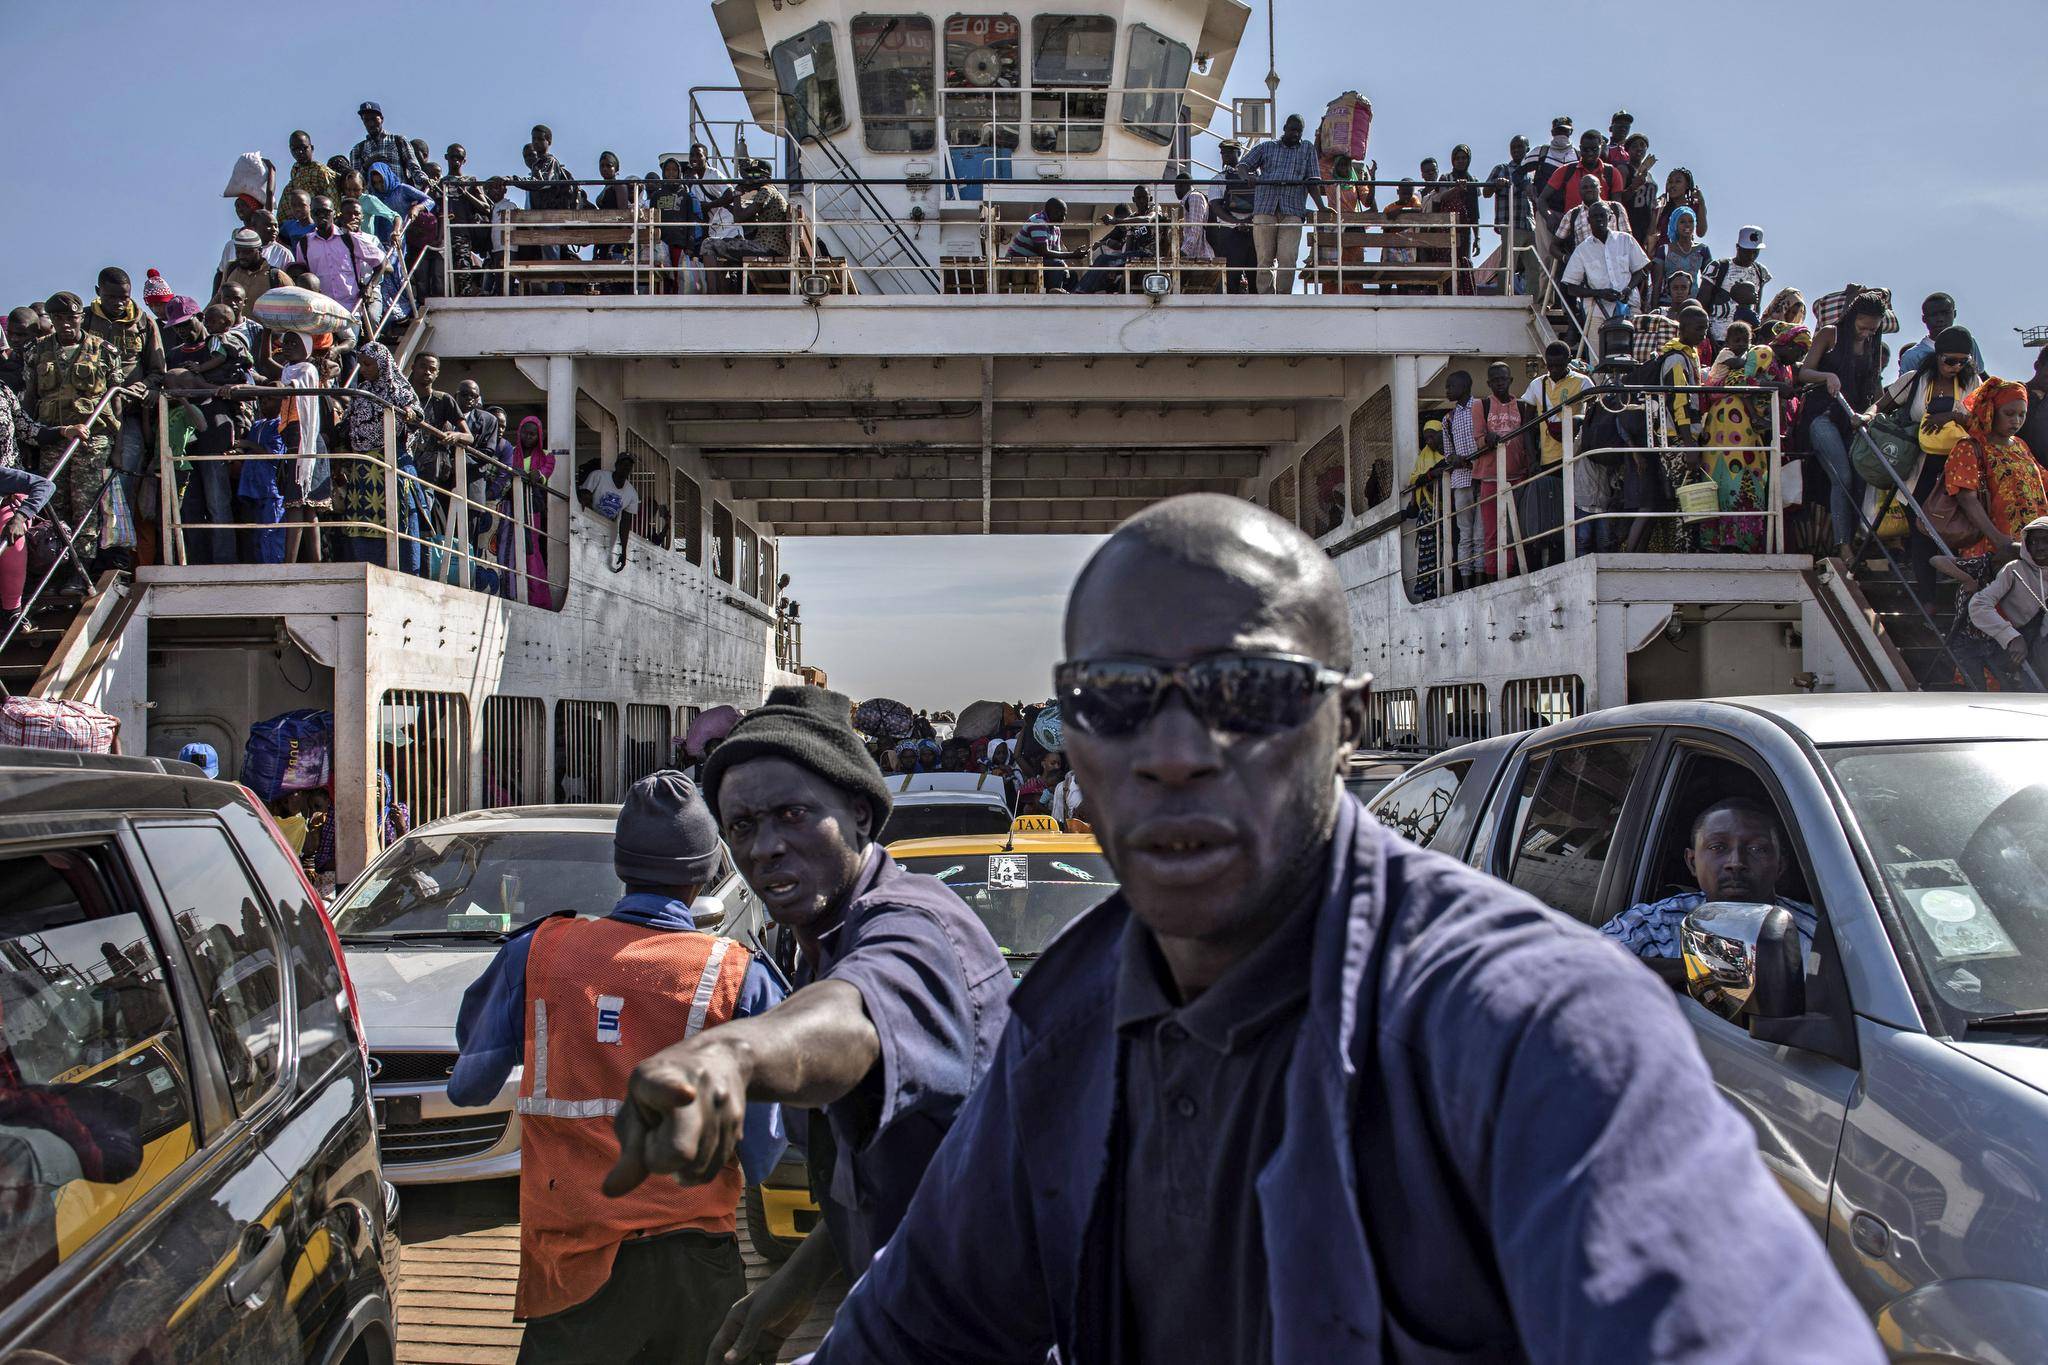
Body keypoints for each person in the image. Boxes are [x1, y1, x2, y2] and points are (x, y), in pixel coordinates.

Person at [806, 493, 1884, 1364]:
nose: (1175, 749)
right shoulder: (1071, 1027)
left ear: (1346, 724)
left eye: (1250, 692)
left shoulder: (1532, 1032)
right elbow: (913, 1329)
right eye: (1117, 695)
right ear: (1070, 735)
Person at [605, 687, 1011, 1365]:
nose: (763, 847)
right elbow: (890, 1170)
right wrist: (797, 1279)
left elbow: (854, 1016)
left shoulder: (914, 931)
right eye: (741, 827)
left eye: (793, 814)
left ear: (859, 813)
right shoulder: (822, 936)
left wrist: (731, 1055)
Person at [445, 772, 785, 1362]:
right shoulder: (738, 977)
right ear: (706, 873)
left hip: (572, 1266)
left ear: (620, 864)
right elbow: (762, 1156)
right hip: (696, 1268)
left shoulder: (537, 953)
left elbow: (467, 1088)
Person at [1599, 797, 1819, 966]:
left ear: (1780, 865)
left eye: (1757, 849)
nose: (1736, 862)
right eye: (1718, 847)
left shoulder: (1819, 934)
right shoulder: (1658, 925)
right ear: (1692, 862)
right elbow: (1582, 966)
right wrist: (1702, 970)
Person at [22, 292, 127, 573]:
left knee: (86, 508)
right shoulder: (37, 350)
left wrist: (118, 445)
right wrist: (29, 443)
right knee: (54, 506)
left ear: (82, 318)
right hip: (53, 438)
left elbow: (116, 402)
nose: (66, 324)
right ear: (52, 320)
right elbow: (30, 399)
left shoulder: (105, 350)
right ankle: (57, 567)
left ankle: (82, 570)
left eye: (72, 318)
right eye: (59, 318)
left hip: (91, 441)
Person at [1878, 326, 1979, 595]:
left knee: (1958, 527)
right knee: (1921, 527)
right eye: (1950, 361)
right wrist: (1864, 419)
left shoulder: (1972, 384)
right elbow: (1881, 406)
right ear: (1937, 356)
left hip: (1958, 467)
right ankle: (1927, 598)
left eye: (1963, 361)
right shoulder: (1916, 379)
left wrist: (1953, 417)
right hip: (1919, 466)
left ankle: (1962, 594)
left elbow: (1981, 424)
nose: (1956, 367)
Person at [1798, 291, 1890, 558]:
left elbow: (1876, 389)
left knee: (1865, 474)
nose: (1866, 333)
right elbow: (1804, 373)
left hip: (1853, 420)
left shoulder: (1872, 343)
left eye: (1873, 329)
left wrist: (1875, 414)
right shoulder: (1830, 334)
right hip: (1823, 416)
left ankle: (1866, 536)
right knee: (1843, 475)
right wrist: (1827, 376)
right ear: (1852, 319)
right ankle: (1843, 544)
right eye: (1863, 327)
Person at [333, 341, 421, 568]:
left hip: (390, 465)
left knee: (397, 520)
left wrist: (409, 413)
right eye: (361, 364)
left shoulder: (398, 390)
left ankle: (402, 567)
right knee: (362, 523)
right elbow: (347, 423)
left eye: (368, 364)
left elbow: (417, 414)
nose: (363, 369)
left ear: (382, 364)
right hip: (363, 469)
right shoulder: (363, 392)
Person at [1695, 322, 1776, 553]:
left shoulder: (1742, 371)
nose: (1741, 345)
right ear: (1727, 342)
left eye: (1745, 342)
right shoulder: (1729, 359)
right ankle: (1716, 539)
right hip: (1720, 419)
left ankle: (1740, 539)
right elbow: (1741, 373)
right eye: (1737, 341)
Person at [1944, 377, 2044, 559]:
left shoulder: (2020, 445)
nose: (2016, 421)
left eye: (2022, 415)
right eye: (2009, 413)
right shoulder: (1970, 448)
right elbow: (1967, 499)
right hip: (1995, 546)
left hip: (2032, 546)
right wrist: (1999, 540)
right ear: (1991, 411)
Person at [1520, 341, 1598, 554]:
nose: (1553, 371)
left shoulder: (1583, 382)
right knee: (1551, 512)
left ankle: (1574, 552)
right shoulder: (1537, 385)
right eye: (1550, 366)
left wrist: (1579, 421)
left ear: (1567, 361)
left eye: (1558, 366)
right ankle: (1554, 555)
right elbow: (1527, 425)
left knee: (1574, 508)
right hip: (1547, 460)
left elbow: (1594, 415)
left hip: (1576, 456)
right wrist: (1532, 460)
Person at [1236, 115, 1327, 295]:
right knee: (1264, 258)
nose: (1296, 134)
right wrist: (1248, 178)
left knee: (1288, 257)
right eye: (1293, 129)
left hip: (1293, 209)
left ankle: (1284, 296)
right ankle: (1266, 296)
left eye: (1299, 131)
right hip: (1265, 207)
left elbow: (1312, 182)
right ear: (1284, 128)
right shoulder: (1267, 147)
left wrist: (1321, 207)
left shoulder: (1307, 148)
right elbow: (1243, 165)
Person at [1965, 516, 2048, 687]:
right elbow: (1979, 605)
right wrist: (2010, 637)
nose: (2040, 547)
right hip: (2023, 647)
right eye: (2033, 542)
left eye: (2046, 541)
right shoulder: (2014, 569)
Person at [1560, 201, 1649, 342]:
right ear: (1589, 220)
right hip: (1597, 311)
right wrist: (1599, 293)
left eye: (1602, 215)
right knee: (1597, 358)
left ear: (1610, 217)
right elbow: (1571, 288)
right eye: (1595, 216)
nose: (1599, 219)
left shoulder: (1626, 240)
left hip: (1629, 306)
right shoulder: (1582, 250)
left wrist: (1627, 289)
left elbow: (1640, 271)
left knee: (1630, 354)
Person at [297, 195, 386, 315]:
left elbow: (381, 261)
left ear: (334, 213)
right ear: (312, 215)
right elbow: (303, 275)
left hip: (351, 309)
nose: (322, 215)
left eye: (326, 212)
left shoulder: (348, 238)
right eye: (317, 212)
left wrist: (370, 286)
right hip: (322, 310)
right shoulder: (304, 244)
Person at [1438, 369, 1484, 587]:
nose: (1447, 390)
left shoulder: (1482, 407)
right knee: (1466, 533)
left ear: (1464, 386)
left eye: (1450, 386)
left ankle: (1482, 576)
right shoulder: (1447, 419)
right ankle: (1467, 581)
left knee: (1481, 532)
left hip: (1483, 477)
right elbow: (1448, 454)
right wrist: (1456, 459)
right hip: (1461, 481)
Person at [1074, 186, 1161, 294]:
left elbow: (1148, 219)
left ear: (1151, 198)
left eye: (1145, 197)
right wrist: (1119, 263)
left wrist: (1116, 221)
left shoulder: (1154, 209)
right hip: (1135, 255)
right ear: (1134, 200)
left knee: (1104, 260)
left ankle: (1080, 291)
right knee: (1103, 261)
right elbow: (1128, 245)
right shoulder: (1132, 218)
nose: (1142, 201)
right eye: (1139, 198)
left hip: (1151, 254)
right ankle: (1085, 291)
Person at [1698, 226, 1771, 344]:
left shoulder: (1760, 271)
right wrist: (1708, 336)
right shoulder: (1718, 267)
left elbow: (1756, 307)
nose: (1751, 256)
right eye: (1747, 251)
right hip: (1717, 336)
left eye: (1755, 252)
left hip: (1744, 341)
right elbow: (1701, 304)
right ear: (1738, 247)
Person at [1483, 134, 1537, 294]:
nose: (1516, 150)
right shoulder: (1502, 169)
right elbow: (1485, 192)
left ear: (1527, 149)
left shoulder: (1532, 172)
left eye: (1520, 147)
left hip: (1530, 223)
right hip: (1511, 223)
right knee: (1508, 262)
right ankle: (1503, 296)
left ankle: (1534, 299)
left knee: (1535, 265)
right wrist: (1496, 184)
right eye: (1513, 147)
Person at [1207, 141, 1259, 293]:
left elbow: (1264, 202)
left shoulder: (1255, 178)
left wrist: (1248, 221)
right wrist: (1238, 223)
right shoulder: (1219, 178)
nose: (1225, 156)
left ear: (1239, 153)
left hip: (1252, 231)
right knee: (1231, 277)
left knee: (1255, 275)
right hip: (1230, 232)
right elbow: (1216, 207)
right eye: (1223, 153)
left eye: (1230, 152)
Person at [1003, 198, 1086, 292]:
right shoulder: (1038, 222)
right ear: (1051, 211)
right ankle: (1053, 294)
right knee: (1057, 265)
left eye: (1065, 215)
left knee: (1072, 275)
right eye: (1060, 214)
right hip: (1017, 265)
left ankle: (1065, 299)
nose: (1063, 218)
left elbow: (1057, 253)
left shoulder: (1055, 228)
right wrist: (1072, 255)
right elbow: (1044, 252)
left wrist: (1065, 267)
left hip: (1035, 264)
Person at [579, 453, 639, 563]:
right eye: (623, 464)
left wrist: (624, 551)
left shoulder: (632, 494)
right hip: (589, 524)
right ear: (616, 465)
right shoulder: (598, 476)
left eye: (629, 466)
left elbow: (625, 524)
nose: (626, 467)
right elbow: (584, 499)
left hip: (606, 529)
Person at [349, 101, 423, 189]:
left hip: (400, 196)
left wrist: (424, 180)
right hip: (373, 200)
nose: (371, 124)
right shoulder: (357, 150)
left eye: (374, 119)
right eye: (367, 120)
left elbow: (414, 168)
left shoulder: (399, 141)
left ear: (382, 119)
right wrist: (366, 166)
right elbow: (356, 183)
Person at [1651, 206, 1709, 305]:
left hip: (1692, 305)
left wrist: (1704, 307)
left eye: (1691, 222)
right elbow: (1657, 283)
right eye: (1682, 222)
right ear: (1674, 225)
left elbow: (1708, 283)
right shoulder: (1664, 250)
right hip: (1668, 303)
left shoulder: (1702, 250)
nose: (1687, 225)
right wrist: (1655, 309)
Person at [1651, 166, 1709, 254]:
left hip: (1685, 254)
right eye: (1670, 182)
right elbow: (1651, 232)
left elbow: (1701, 233)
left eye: (1678, 181)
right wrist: (1655, 209)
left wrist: (1702, 203)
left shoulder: (1694, 206)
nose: (1672, 185)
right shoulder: (1662, 206)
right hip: (1663, 255)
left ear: (1687, 185)